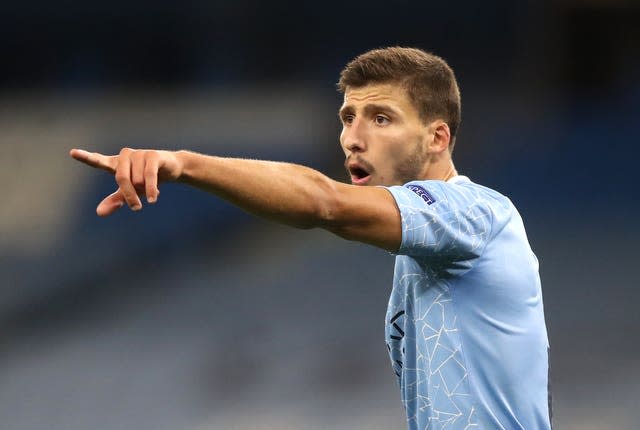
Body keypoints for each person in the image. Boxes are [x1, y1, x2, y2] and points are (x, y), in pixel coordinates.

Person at [70, 47, 551, 430]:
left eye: (381, 119)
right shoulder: (423, 250)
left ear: (437, 139)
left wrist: (183, 165)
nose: (352, 139)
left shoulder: (475, 213)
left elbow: (325, 203)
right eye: (347, 117)